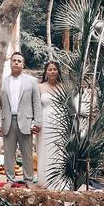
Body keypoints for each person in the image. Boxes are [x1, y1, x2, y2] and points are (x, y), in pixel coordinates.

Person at [0, 52, 42, 187]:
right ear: (10, 63)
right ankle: (10, 179)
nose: (16, 63)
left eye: (19, 61)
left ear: (23, 64)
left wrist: (38, 122)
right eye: (14, 61)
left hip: (26, 122)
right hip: (8, 121)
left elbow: (36, 103)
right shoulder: (3, 82)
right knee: (8, 154)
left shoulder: (32, 81)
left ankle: (28, 179)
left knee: (27, 153)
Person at [37, 61, 65, 189]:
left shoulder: (63, 87)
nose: (52, 71)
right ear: (46, 72)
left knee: (58, 149)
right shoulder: (40, 87)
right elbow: (36, 107)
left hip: (60, 120)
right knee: (45, 147)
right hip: (45, 120)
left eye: (55, 69)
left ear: (58, 71)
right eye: (50, 69)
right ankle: (45, 178)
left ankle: (59, 178)